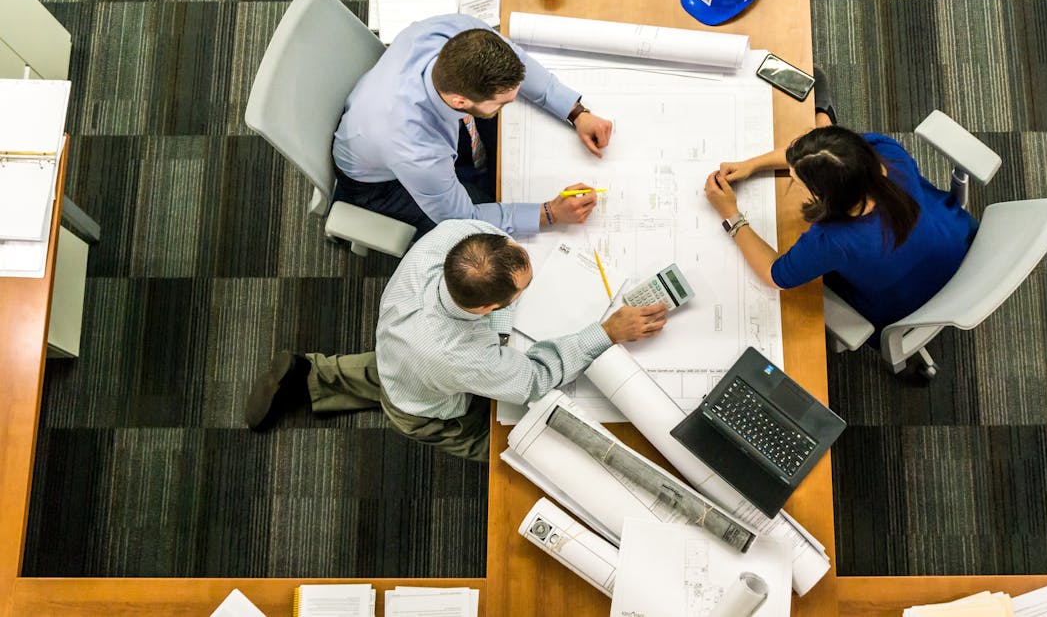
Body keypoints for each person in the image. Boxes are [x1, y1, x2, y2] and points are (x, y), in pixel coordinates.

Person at [243, 219, 668, 461]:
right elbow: (534, 380)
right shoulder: (461, 357)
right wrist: (606, 331)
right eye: (522, 290)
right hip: (426, 407)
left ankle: (311, 375)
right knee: (511, 444)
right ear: (487, 308)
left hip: (400, 348)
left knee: (396, 368)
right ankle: (514, 454)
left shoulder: (452, 238)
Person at [703, 71, 977, 377]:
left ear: (824, 195)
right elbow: (825, 156)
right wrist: (751, 165)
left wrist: (731, 215)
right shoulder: (886, 153)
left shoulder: (833, 240)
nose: (792, 180)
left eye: (797, 181)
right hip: (957, 242)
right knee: (817, 88)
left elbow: (775, 274)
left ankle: (822, 115)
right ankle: (823, 116)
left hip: (906, 304)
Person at [333, 14, 615, 239]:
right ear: (460, 100)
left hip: (384, 118)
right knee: (485, 236)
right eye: (502, 103)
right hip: (379, 184)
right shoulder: (416, 149)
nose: (511, 103)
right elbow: (462, 218)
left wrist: (575, 112)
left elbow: (520, 62)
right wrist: (549, 213)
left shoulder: (458, 32)